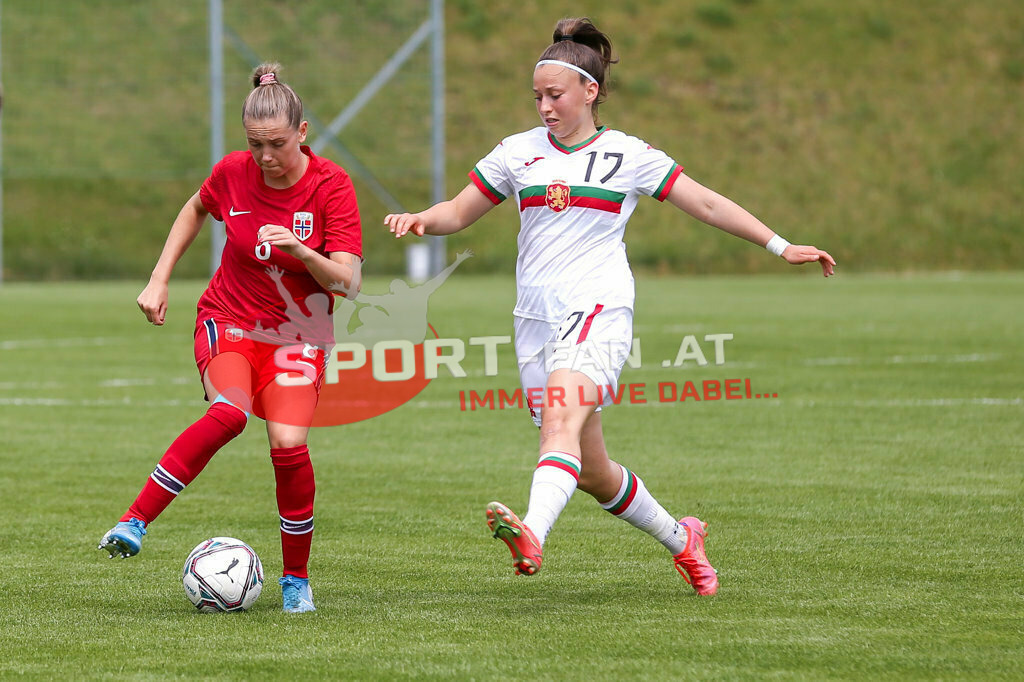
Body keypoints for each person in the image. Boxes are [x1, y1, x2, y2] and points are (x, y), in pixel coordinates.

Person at [385, 17, 835, 596]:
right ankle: (683, 540)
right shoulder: (517, 153)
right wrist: (423, 219)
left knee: (560, 423)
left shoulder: (628, 155)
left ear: (589, 92)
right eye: (538, 96)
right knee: (592, 470)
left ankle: (533, 534)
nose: (545, 106)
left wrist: (779, 244)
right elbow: (458, 210)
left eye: (556, 95)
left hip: (598, 304)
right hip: (534, 319)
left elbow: (705, 203)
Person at [99, 63, 363, 613]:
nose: (265, 157)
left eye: (277, 144)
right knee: (232, 411)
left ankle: (296, 580)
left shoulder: (331, 185)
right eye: (255, 144)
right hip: (230, 318)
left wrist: (300, 250)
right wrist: (159, 276)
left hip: (298, 337)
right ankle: (134, 522)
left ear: (304, 133)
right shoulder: (233, 173)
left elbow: (349, 282)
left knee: (289, 443)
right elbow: (196, 207)